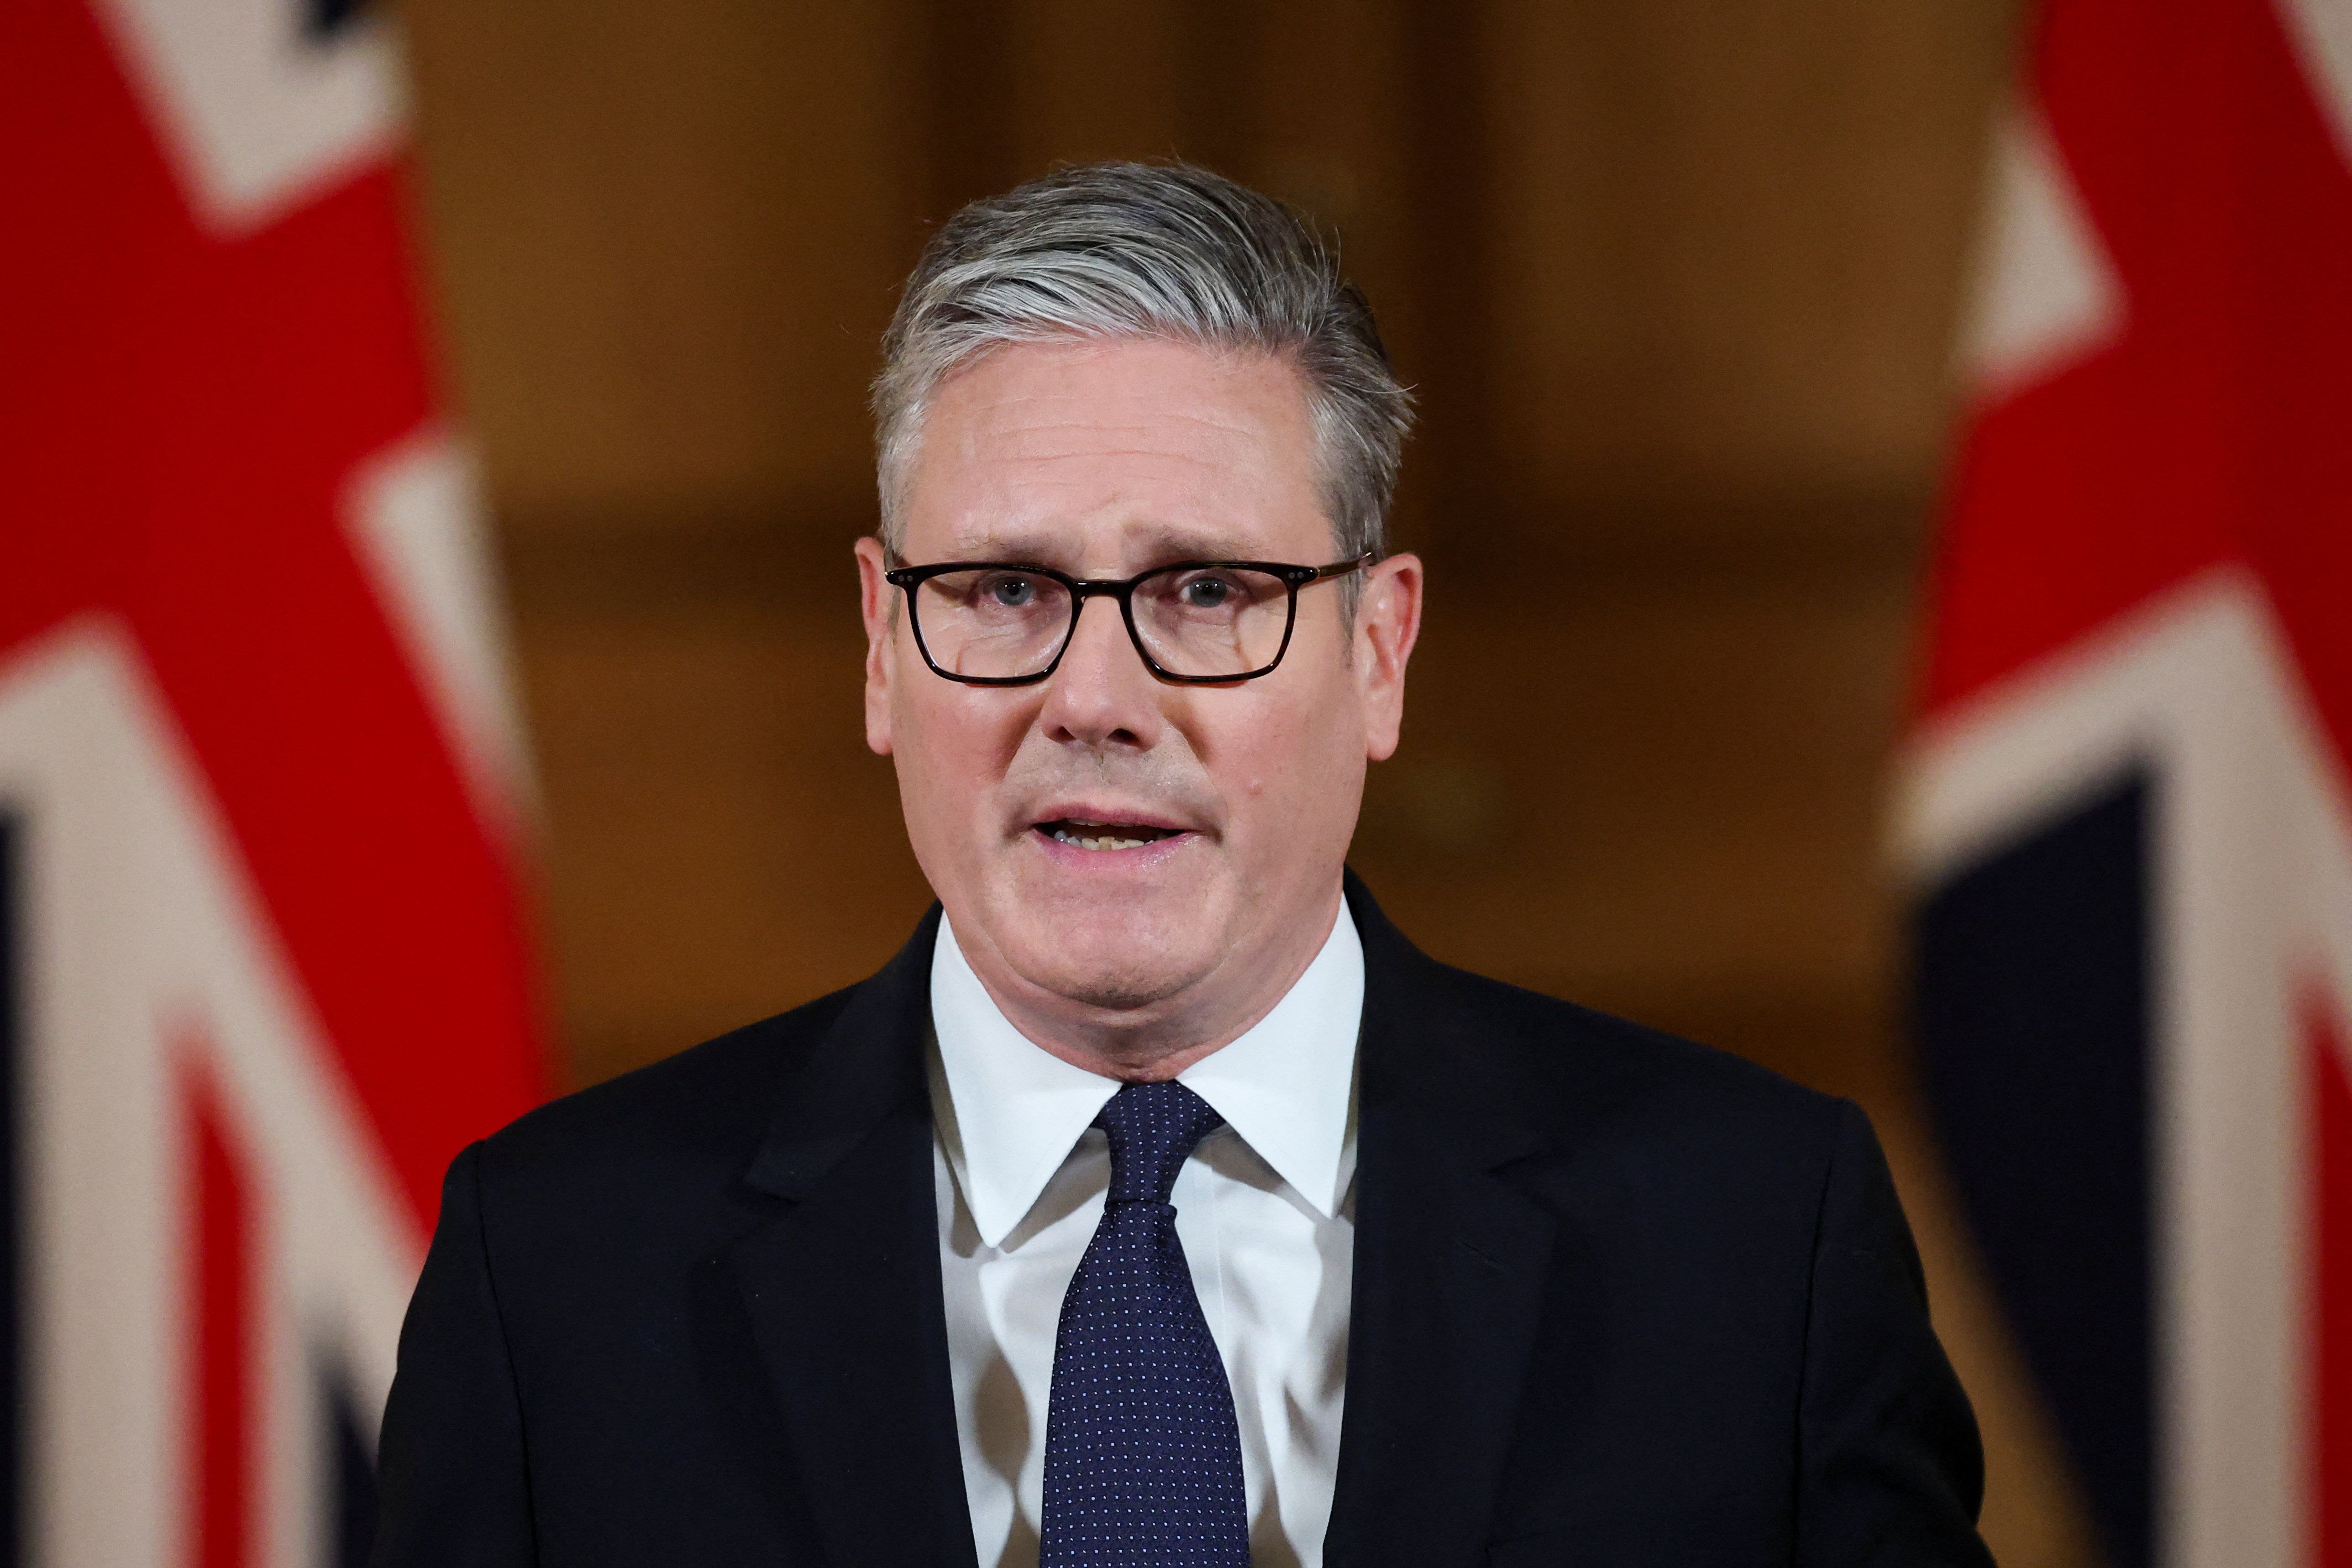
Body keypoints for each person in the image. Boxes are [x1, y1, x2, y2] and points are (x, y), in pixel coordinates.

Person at [372, 162, 1995, 1568]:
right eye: (1004, 588)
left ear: (1379, 648)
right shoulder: (562, 1281)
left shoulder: (1750, 1248)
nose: (1093, 698)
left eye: (1209, 590)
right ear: (881, 645)